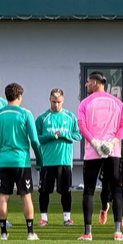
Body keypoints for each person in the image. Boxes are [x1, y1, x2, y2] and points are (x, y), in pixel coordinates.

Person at [76, 71, 123, 241]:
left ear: (95, 83)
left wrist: (94, 143)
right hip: (112, 151)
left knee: (89, 190)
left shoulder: (85, 103)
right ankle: (117, 232)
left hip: (93, 152)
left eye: (88, 82)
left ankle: (88, 232)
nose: (86, 85)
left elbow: (81, 126)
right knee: (116, 190)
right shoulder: (118, 103)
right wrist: (113, 142)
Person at [0, 83, 43, 240]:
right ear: (19, 96)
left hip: (4, 162)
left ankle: (3, 233)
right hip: (21, 162)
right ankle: (30, 233)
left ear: (6, 96)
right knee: (26, 196)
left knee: (3, 197)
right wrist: (39, 161)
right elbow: (34, 140)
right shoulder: (26, 114)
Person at [36, 88, 81, 227]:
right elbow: (37, 138)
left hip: (64, 161)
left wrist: (64, 135)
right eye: (54, 101)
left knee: (66, 191)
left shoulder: (70, 117)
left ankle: (67, 218)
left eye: (59, 102)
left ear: (63, 101)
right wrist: (50, 136)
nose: (56, 105)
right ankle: (44, 218)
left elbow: (77, 135)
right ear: (49, 99)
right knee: (44, 191)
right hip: (47, 161)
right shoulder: (42, 118)